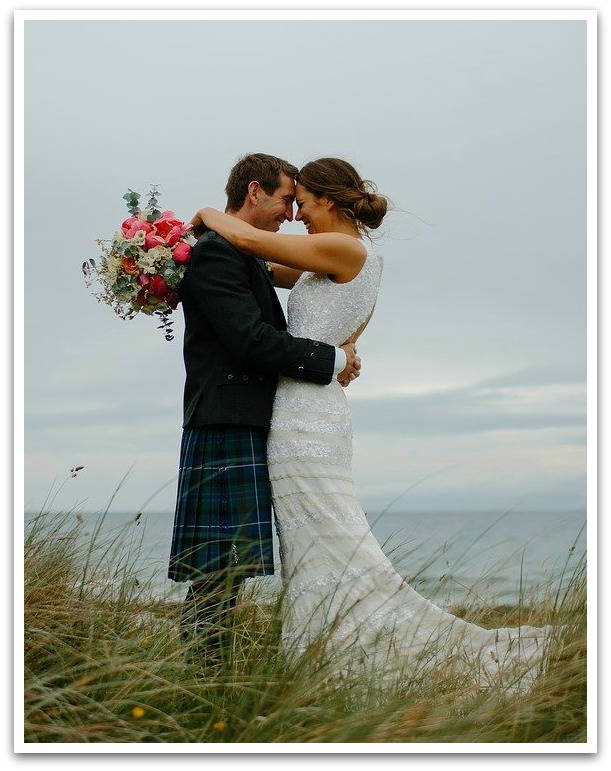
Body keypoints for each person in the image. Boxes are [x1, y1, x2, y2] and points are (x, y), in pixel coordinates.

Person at [192, 156, 554, 692]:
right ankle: (325, 651)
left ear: (330, 203)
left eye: (305, 204)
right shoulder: (325, 259)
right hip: (307, 410)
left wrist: (202, 214)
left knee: (329, 539)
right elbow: (261, 270)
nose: (298, 216)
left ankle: (343, 656)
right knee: (318, 541)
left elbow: (247, 244)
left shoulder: (343, 249)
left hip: (306, 421)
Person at [168, 153, 361, 662]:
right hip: (225, 419)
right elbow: (252, 341)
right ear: (254, 191)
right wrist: (332, 358)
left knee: (229, 571)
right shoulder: (215, 254)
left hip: (248, 417)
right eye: (283, 200)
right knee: (217, 572)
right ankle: (205, 675)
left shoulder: (241, 252)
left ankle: (212, 670)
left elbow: (304, 280)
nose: (289, 214)